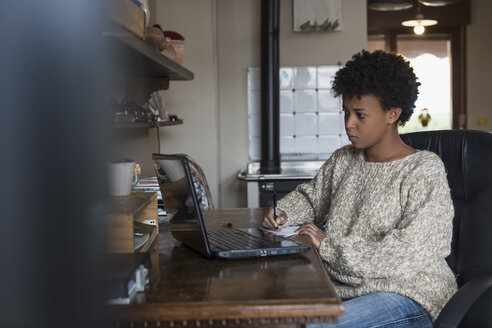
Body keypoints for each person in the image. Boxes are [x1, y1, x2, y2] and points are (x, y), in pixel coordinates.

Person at [263, 50, 457, 328]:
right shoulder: (343, 159)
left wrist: (326, 245)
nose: (348, 124)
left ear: (393, 114)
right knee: (269, 314)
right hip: (346, 287)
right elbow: (312, 197)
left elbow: (409, 251)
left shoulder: (423, 169)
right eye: (346, 112)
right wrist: (284, 212)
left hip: (410, 293)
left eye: (360, 115)